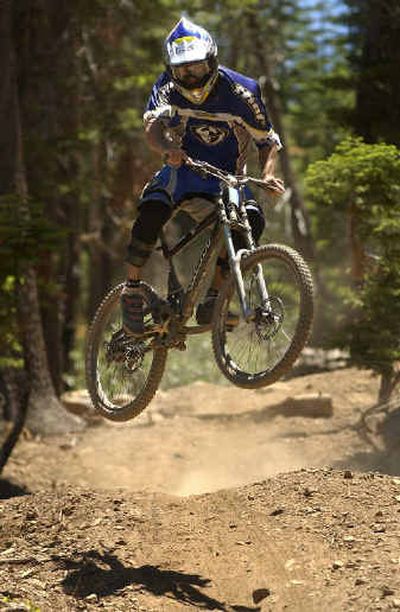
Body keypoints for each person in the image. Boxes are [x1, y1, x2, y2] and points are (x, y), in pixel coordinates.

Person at [121, 16, 285, 335]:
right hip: (182, 170)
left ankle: (214, 300)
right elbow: (151, 128)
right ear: (171, 69)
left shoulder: (242, 91)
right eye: (182, 70)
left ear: (212, 60)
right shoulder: (166, 86)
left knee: (251, 221)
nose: (190, 77)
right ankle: (131, 289)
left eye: (196, 67)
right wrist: (167, 149)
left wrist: (267, 175)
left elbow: (267, 141)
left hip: (228, 179)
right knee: (153, 207)